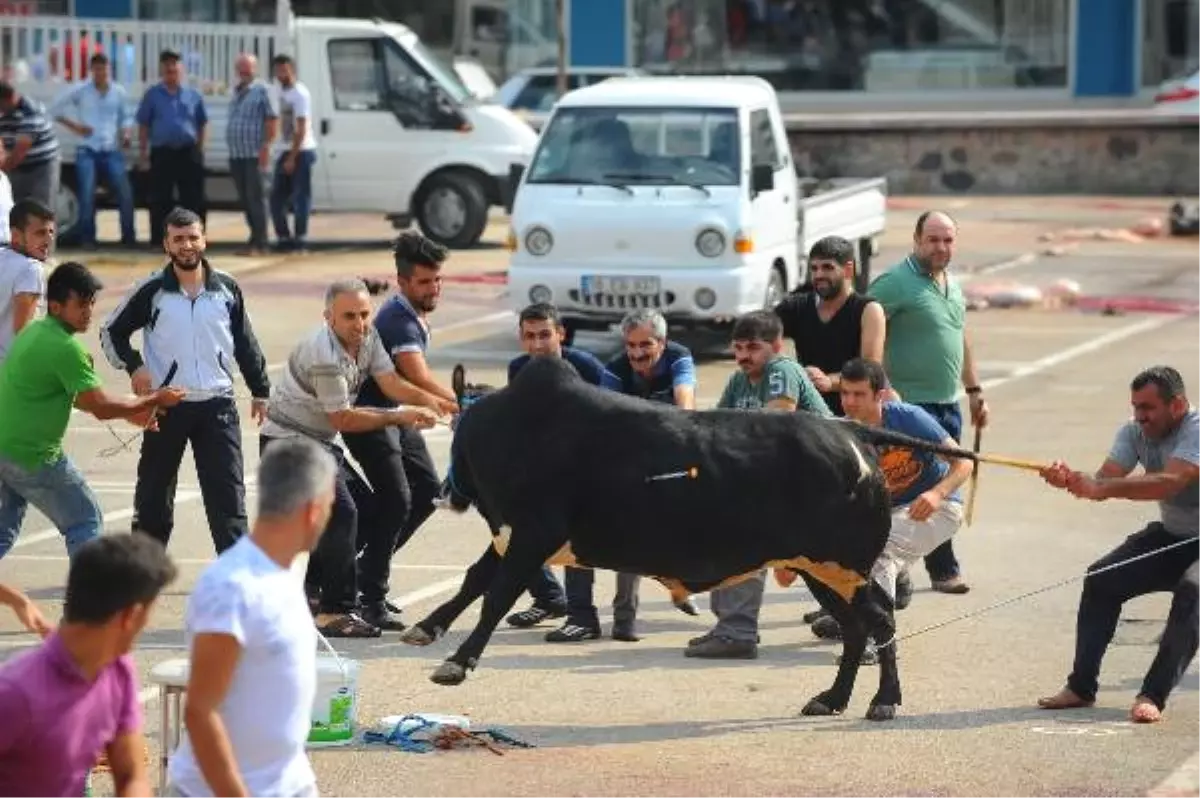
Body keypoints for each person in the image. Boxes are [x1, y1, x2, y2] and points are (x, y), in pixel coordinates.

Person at [259, 278, 446, 637]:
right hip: (291, 443)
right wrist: (400, 415)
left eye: (363, 314)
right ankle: (335, 611)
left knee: (370, 511)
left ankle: (310, 591)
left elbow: (389, 381)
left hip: (319, 442)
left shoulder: (367, 338)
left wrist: (433, 400)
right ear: (328, 317)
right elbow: (342, 418)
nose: (358, 324)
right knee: (344, 512)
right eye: (349, 316)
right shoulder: (324, 355)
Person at [167, 438, 338, 798]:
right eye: (329, 507)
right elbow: (200, 712)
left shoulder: (284, 574)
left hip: (288, 786)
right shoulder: (232, 587)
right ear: (311, 511)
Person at [100, 207, 271, 556]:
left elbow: (245, 342)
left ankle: (235, 570)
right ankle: (143, 568)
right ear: (166, 244)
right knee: (153, 495)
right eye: (178, 239)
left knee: (227, 495)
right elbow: (111, 332)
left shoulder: (227, 289)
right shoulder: (151, 291)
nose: (187, 245)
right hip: (166, 406)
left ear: (204, 239)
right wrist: (134, 367)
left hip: (218, 406)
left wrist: (261, 390)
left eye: (193, 237)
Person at [1037, 366, 1200, 725]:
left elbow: (1170, 482)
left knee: (1192, 591)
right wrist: (1071, 479)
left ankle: (1152, 695)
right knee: (1101, 578)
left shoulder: (1196, 429)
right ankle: (1080, 687)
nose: (1140, 416)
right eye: (1136, 407)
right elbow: (1105, 479)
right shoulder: (1133, 431)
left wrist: (1100, 488)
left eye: (1148, 408)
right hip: (1172, 535)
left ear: (1178, 405)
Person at [0, 262, 185, 560]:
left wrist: (130, 412)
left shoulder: (33, 333)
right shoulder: (64, 347)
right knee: (84, 520)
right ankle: (89, 602)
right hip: (33, 455)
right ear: (57, 307)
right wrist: (154, 400)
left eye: (91, 303)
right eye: (81, 305)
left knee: (3, 529)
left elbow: (80, 399)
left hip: (5, 450)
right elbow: (100, 407)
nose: (88, 311)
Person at [684, 310, 833, 659]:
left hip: (817, 480)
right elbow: (714, 427)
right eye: (737, 348)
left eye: (752, 347)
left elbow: (774, 425)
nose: (743, 356)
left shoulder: (782, 371)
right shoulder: (740, 380)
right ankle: (729, 627)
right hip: (783, 481)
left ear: (777, 345)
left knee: (743, 540)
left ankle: (736, 632)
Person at [545, 308, 699, 644]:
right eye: (631, 345)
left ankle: (683, 585)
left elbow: (685, 410)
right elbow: (608, 422)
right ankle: (587, 617)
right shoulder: (615, 368)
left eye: (646, 344)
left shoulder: (679, 358)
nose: (637, 353)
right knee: (586, 520)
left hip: (675, 455)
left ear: (663, 342)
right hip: (628, 456)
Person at [808, 358, 971, 650]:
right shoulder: (843, 431)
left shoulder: (908, 418)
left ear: (880, 395)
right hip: (888, 514)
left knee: (878, 553)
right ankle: (856, 613)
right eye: (845, 393)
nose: (850, 402)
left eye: (859, 395)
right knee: (834, 549)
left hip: (939, 508)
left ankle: (875, 636)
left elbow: (964, 463)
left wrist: (937, 494)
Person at [0, 533, 178, 797]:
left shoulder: (117, 670)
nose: (148, 626)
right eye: (148, 614)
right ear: (131, 615)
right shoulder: (15, 694)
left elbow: (130, 774)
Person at [775, 234, 896, 620]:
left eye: (828, 268)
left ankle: (881, 587)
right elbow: (763, 334)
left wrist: (830, 381)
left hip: (857, 418)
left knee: (859, 513)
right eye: (813, 268)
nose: (819, 275)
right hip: (813, 425)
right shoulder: (796, 307)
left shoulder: (867, 309)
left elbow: (871, 367)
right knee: (820, 515)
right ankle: (834, 600)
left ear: (848, 269)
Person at [869, 210, 989, 596]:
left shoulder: (952, 285)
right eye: (933, 239)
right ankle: (916, 567)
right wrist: (881, 385)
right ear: (917, 240)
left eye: (948, 240)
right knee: (905, 488)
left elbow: (960, 337)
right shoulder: (894, 283)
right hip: (908, 407)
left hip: (946, 403)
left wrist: (974, 391)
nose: (941, 247)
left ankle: (930, 568)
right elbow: (868, 328)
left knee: (945, 485)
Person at [348, 232, 456, 629]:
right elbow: (417, 375)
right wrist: (460, 403)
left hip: (396, 413)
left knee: (427, 492)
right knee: (396, 501)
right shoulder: (398, 320)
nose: (434, 288)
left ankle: (363, 576)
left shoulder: (411, 313)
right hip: (367, 418)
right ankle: (368, 593)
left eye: (437, 280)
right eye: (425, 282)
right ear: (404, 281)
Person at [503, 302, 611, 631]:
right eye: (530, 336)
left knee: (575, 534)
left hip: (587, 464)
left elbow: (610, 413)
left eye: (545, 335)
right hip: (542, 464)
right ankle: (549, 597)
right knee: (511, 523)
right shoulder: (519, 368)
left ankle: (582, 616)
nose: (538, 344)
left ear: (561, 334)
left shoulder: (587, 366)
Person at [50, 52, 137, 248]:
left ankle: (129, 238)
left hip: (111, 149)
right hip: (87, 149)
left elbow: (127, 117)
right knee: (86, 194)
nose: (101, 73)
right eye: (97, 69)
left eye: (104, 69)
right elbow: (54, 109)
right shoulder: (81, 90)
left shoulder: (119, 92)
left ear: (109, 70)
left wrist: (126, 134)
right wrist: (75, 126)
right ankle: (88, 238)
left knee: (125, 192)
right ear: (92, 70)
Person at [137, 49, 208, 249]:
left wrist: (200, 150)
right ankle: (160, 240)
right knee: (160, 198)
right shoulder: (152, 95)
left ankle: (196, 238)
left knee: (193, 198)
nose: (171, 71)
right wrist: (143, 155)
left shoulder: (193, 94)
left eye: (174, 67)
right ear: (162, 70)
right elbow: (144, 126)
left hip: (188, 152)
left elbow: (202, 123)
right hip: (162, 153)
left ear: (181, 69)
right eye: (167, 67)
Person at [226, 52, 278, 256]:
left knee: (256, 198)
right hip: (237, 154)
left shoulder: (263, 90)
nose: (244, 72)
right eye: (241, 68)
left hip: (254, 154)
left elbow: (272, 121)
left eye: (248, 68)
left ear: (255, 69)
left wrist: (265, 148)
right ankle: (254, 238)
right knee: (245, 199)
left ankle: (262, 242)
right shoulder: (236, 91)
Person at [269, 54, 318, 254]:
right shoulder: (278, 91)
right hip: (284, 148)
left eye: (285, 70)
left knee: (300, 197)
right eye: (278, 70)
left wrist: (292, 158)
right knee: (276, 198)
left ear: (292, 70)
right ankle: (283, 237)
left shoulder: (300, 94)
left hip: (301, 150)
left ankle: (301, 238)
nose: (282, 74)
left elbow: (301, 128)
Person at [0, 199, 55, 363]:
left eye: (51, 232)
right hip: (11, 371)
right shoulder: (31, 269)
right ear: (16, 235)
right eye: (40, 233)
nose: (48, 240)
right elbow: (24, 332)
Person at [0, 79, 59, 207]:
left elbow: (18, 154)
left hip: (42, 166)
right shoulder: (4, 109)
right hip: (16, 167)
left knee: (41, 209)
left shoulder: (31, 112)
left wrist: (2, 168)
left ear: (8, 99)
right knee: (15, 210)